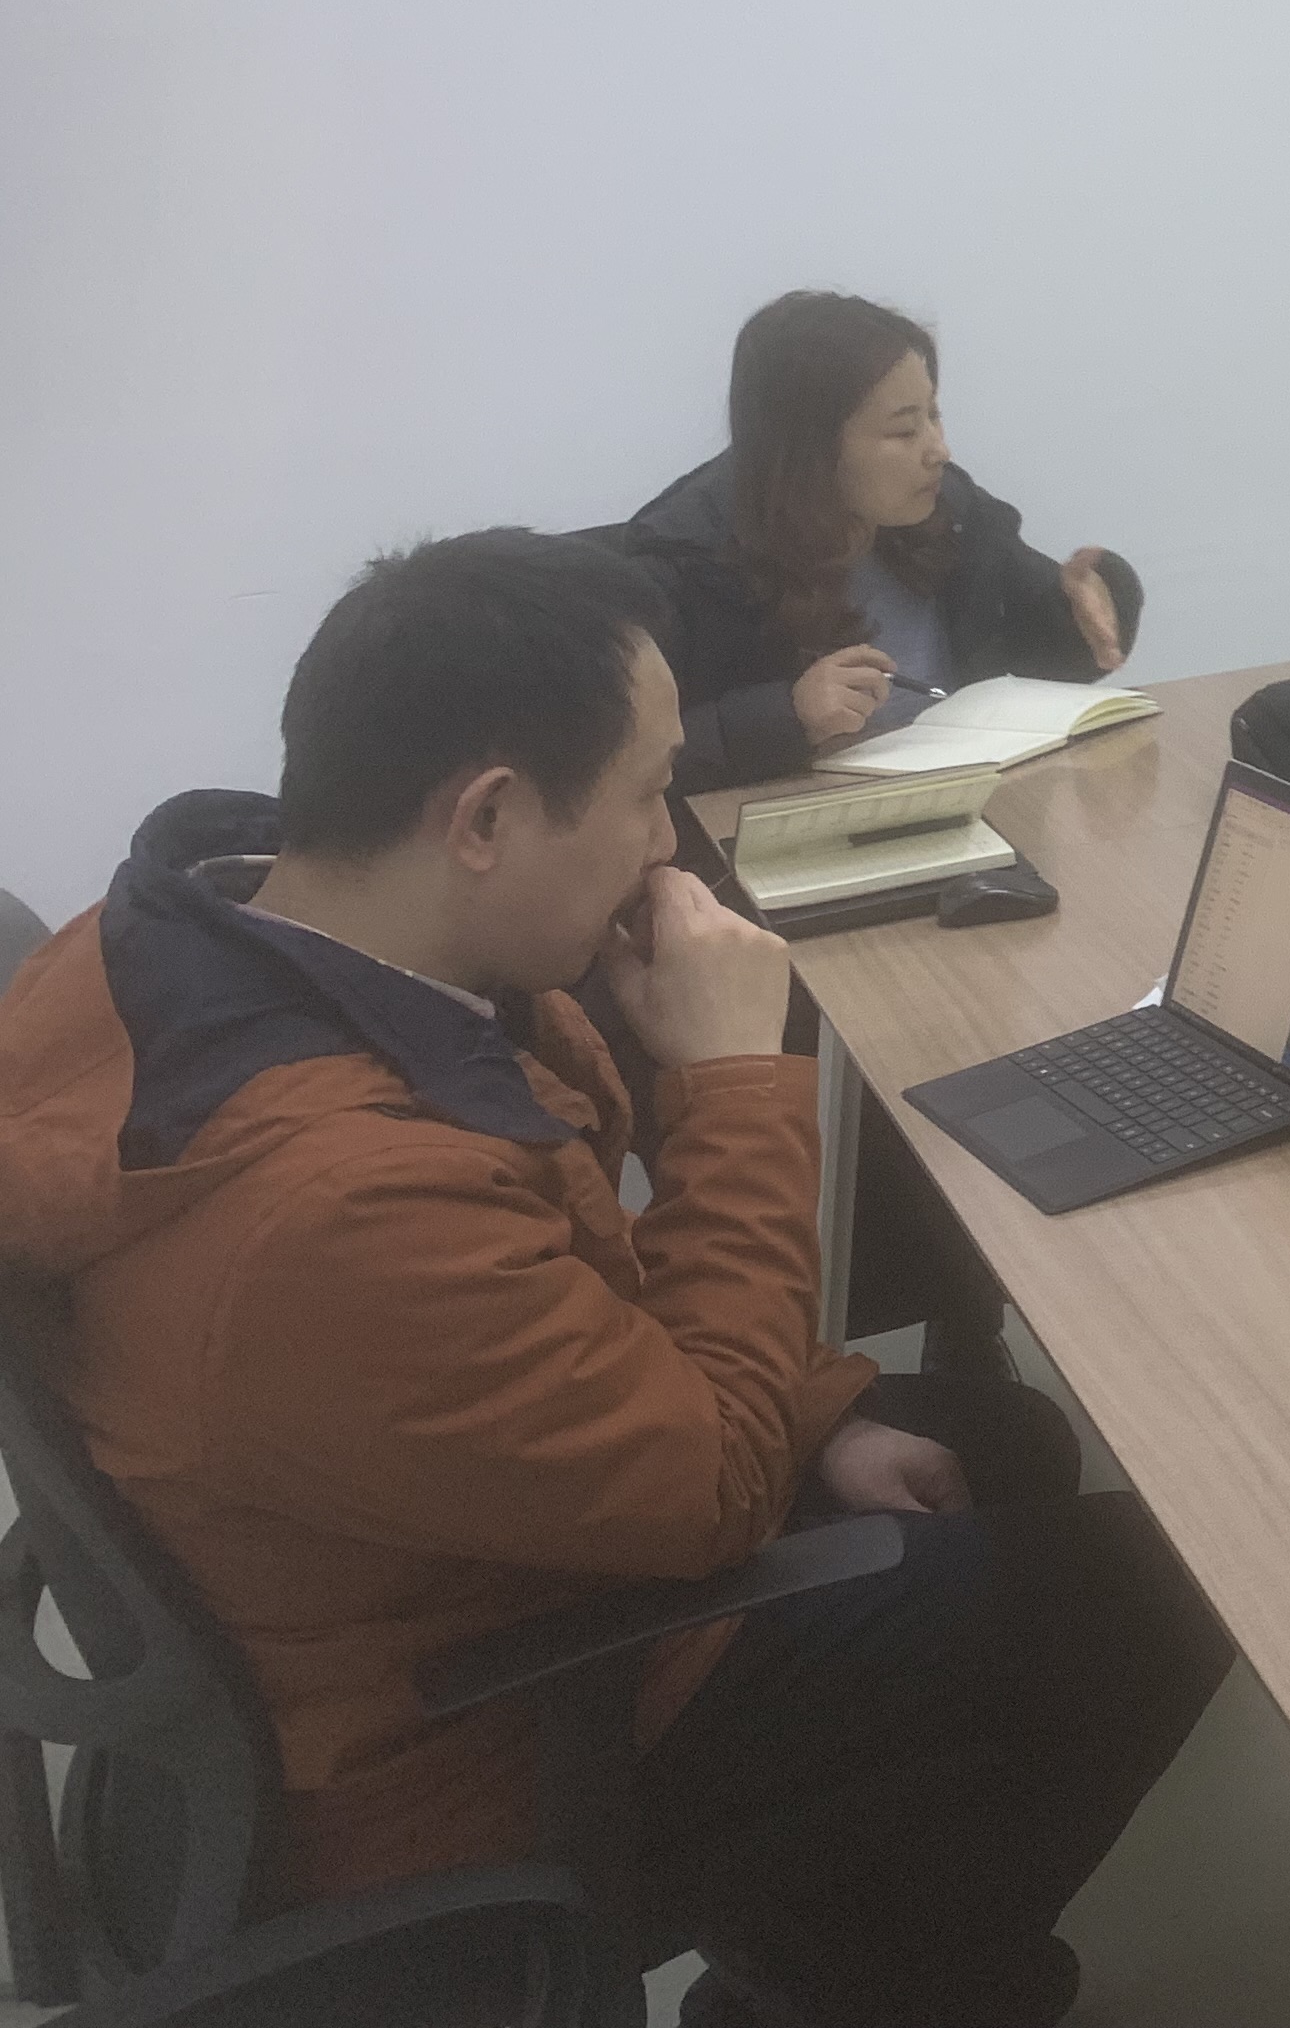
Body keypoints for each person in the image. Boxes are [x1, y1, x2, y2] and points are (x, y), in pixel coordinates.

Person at [0, 531, 1227, 2026]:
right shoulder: (334, 1207)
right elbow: (707, 1488)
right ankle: (857, 1985)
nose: (665, 846)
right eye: (650, 794)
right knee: (1140, 1594)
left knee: (997, 1440)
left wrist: (819, 1407)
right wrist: (733, 1082)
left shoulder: (205, 946)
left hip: (401, 1552)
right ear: (486, 818)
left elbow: (549, 1265)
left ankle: (860, 1935)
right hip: (451, 1748)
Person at [621, 289, 1140, 790]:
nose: (938, 451)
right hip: (795, 827)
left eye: (933, 415)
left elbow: (1041, 658)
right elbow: (627, 767)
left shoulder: (951, 510)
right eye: (903, 431)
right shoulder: (687, 561)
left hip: (968, 799)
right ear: (811, 450)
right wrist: (787, 716)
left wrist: (1089, 608)